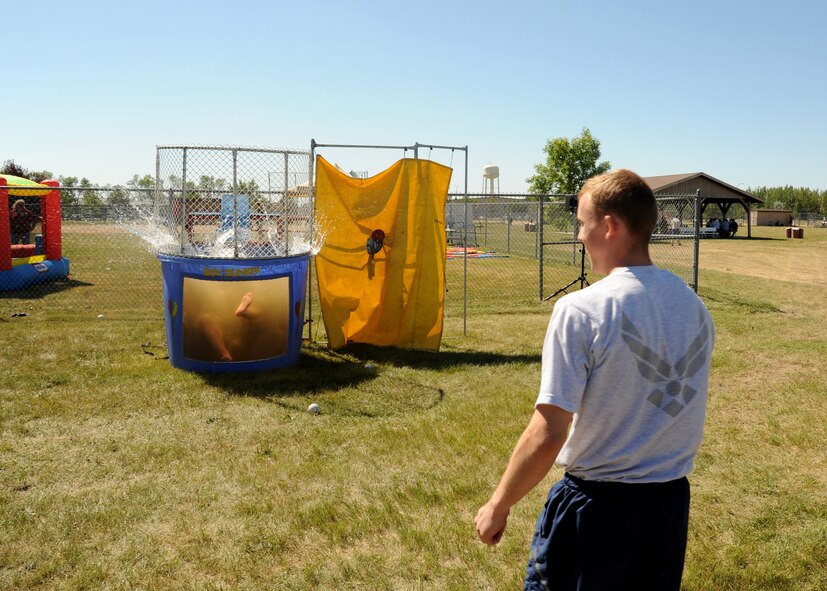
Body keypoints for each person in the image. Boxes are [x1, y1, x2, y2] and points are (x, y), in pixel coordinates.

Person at [475, 169, 715, 590]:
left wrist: (499, 503)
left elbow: (549, 431)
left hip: (596, 511)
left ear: (609, 226)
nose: (580, 236)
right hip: (669, 509)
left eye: (583, 224)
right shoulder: (694, 307)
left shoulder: (582, 310)